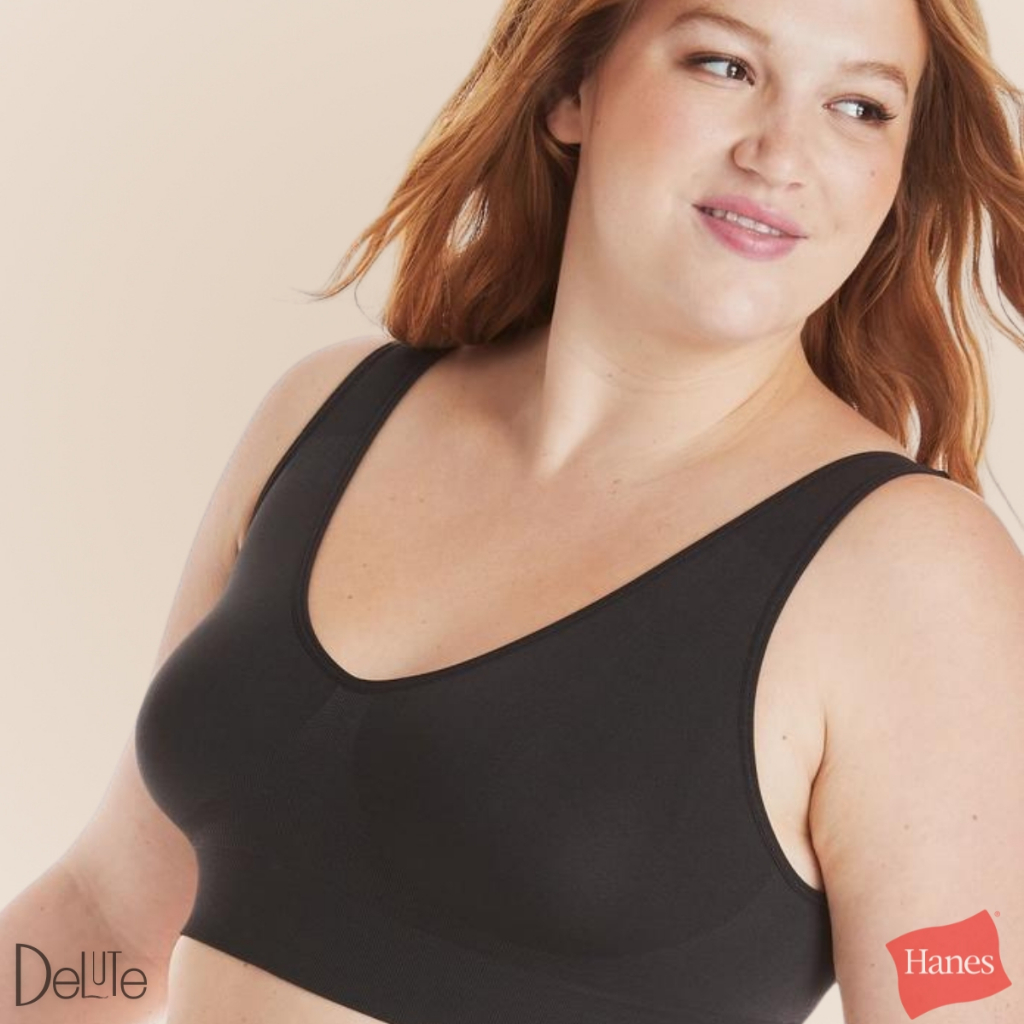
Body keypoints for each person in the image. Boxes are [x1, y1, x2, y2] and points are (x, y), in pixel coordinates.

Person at [2, 0, 1023, 1022]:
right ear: (571, 87)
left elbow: (961, 990)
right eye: (723, 66)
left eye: (859, 107)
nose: (781, 154)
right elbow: (106, 924)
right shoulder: (327, 416)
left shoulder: (915, 577)